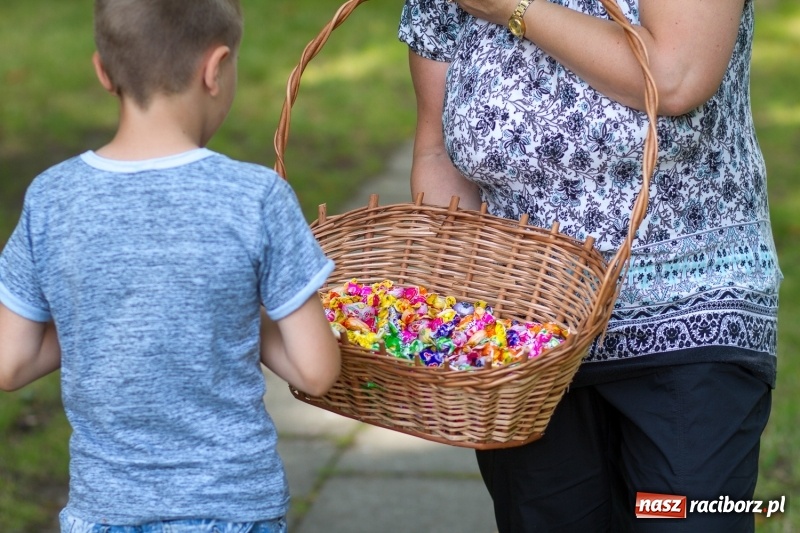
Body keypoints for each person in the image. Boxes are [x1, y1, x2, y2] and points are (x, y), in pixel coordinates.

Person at [399, 0, 782, 531]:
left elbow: (673, 78)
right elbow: (438, 154)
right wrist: (461, 321)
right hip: (527, 337)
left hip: (688, 318)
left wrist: (510, 6)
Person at [0, 0, 341, 531]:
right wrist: (223, 315)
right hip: (231, 507)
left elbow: (11, 362)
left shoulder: (51, 198)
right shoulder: (255, 198)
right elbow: (318, 371)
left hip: (104, 510)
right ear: (216, 69)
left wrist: (112, 321)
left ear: (103, 71)